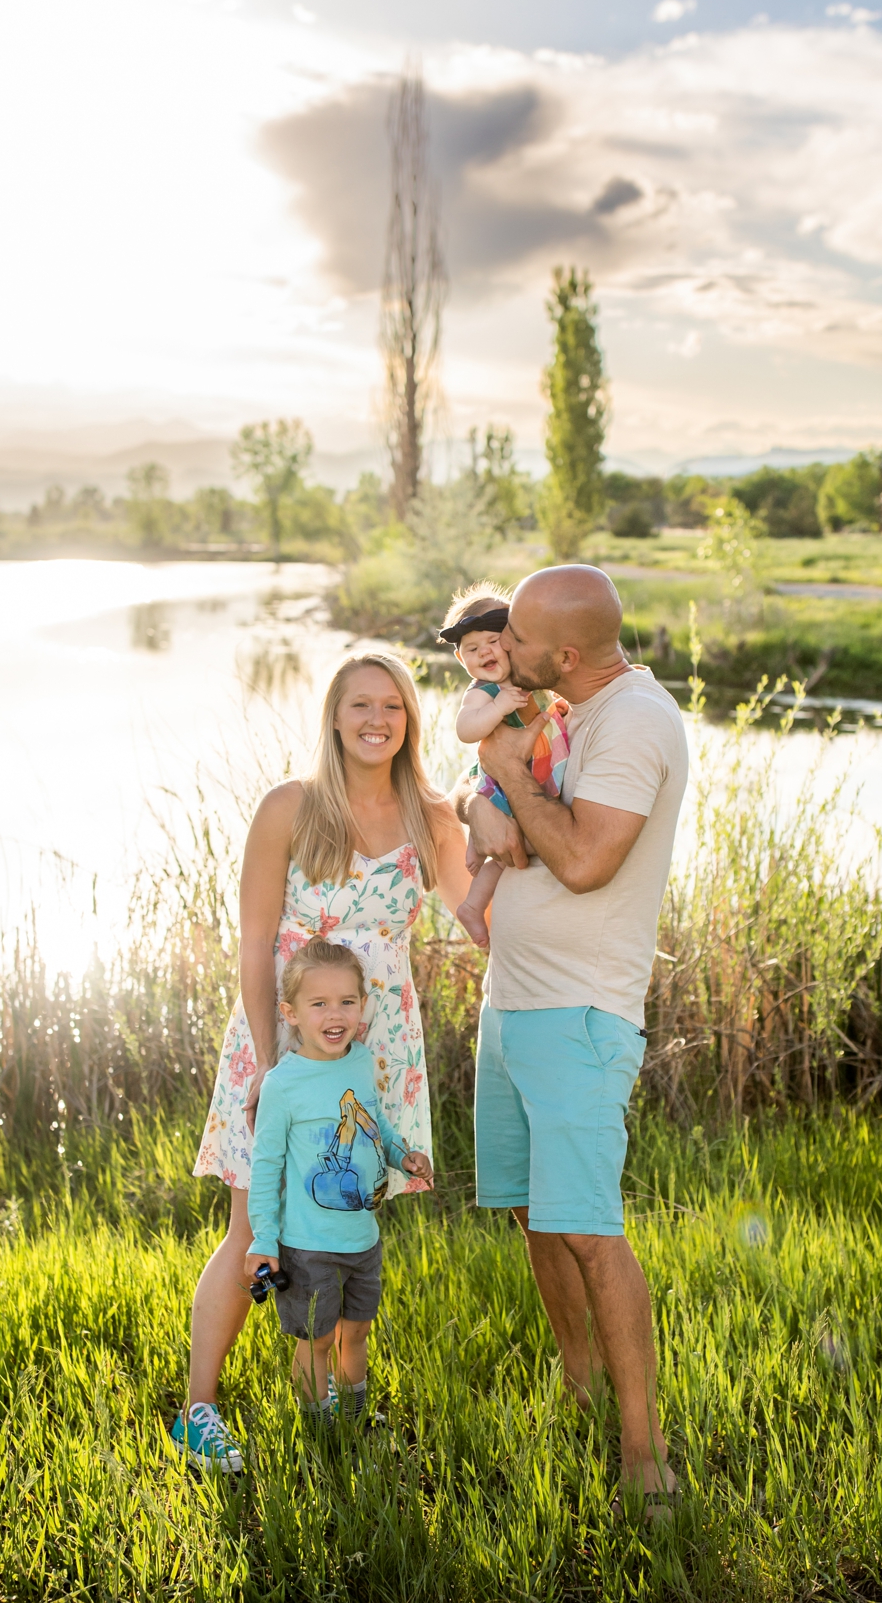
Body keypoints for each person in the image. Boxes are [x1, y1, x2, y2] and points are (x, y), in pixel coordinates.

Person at [172, 652, 471, 1474]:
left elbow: (478, 916)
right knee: (251, 1228)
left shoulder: (433, 817)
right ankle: (199, 1412)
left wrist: (510, 802)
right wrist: (273, 1071)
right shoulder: (291, 809)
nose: (377, 719)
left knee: (339, 1225)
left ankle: (330, 1401)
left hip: (373, 1055)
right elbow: (258, 943)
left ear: (409, 720)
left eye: (394, 707)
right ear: (335, 717)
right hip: (283, 1047)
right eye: (360, 704)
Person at [457, 563, 690, 1519]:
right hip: (512, 1004)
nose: (498, 649)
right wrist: (482, 801)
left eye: (515, 638)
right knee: (532, 1214)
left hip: (580, 1014)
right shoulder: (566, 707)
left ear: (564, 653)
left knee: (589, 1229)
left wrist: (504, 774)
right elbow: (484, 812)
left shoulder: (634, 721)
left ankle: (644, 1449)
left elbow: (590, 860)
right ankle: (579, 1387)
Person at [244, 938, 433, 1429]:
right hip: (308, 1248)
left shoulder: (359, 1061)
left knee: (357, 1335)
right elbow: (265, 1167)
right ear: (290, 1013)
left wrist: (402, 1155)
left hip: (362, 1242)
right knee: (318, 1341)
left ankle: (353, 1419)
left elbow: (378, 1125)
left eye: (347, 1001)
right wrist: (263, 1239)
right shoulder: (283, 1084)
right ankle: (319, 1428)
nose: (336, 1013)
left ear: (362, 1007)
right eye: (319, 1003)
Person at [439, 586, 572, 949]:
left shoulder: (527, 678)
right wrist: (497, 709)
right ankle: (472, 905)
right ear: (460, 658)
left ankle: (476, 857)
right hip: (505, 784)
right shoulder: (484, 691)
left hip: (536, 771)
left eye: (493, 640)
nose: (484, 651)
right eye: (472, 648)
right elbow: (465, 729)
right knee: (506, 843)